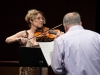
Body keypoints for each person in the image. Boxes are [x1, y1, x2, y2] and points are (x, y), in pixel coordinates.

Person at [5, 9, 62, 75]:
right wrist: (18, 39)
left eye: (42, 18)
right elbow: (7, 40)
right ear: (31, 20)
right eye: (38, 18)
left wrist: (58, 38)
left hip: (41, 69)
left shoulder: (45, 35)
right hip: (27, 70)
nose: (41, 20)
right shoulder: (25, 33)